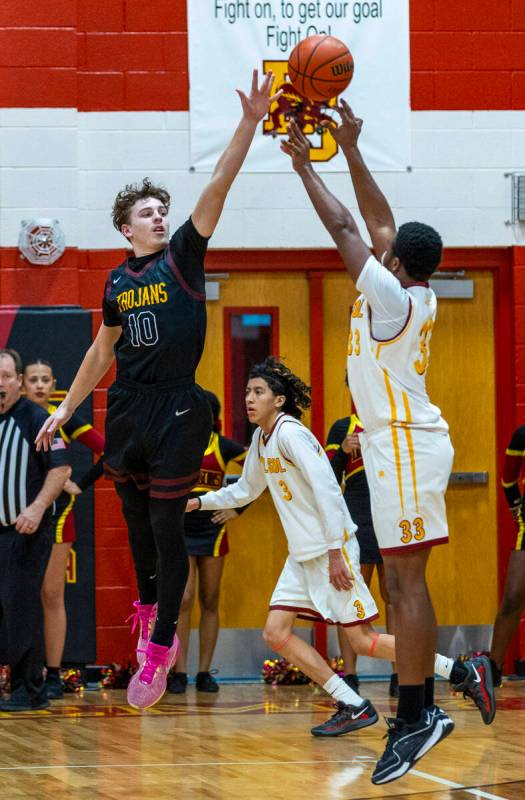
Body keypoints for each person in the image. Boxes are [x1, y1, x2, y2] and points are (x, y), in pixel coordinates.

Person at [35, 70, 281, 711]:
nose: (159, 216)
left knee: (169, 527)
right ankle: (149, 612)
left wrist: (249, 123)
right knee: (137, 524)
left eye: (161, 210)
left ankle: (161, 644)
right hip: (130, 409)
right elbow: (100, 353)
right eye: (147, 213)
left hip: (178, 404)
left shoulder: (183, 258)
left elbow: (218, 188)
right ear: (125, 229)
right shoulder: (116, 282)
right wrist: (64, 410)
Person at [281, 106, 495, 784]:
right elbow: (377, 224)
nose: (379, 243)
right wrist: (349, 148)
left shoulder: (389, 299)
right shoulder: (407, 286)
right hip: (397, 443)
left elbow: (348, 226)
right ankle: (419, 709)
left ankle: (417, 713)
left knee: (404, 582)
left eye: (388, 245)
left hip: (403, 444)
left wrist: (303, 166)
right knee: (402, 580)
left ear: (394, 262)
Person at [186, 358, 494, 741]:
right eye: (248, 392)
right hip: (302, 555)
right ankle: (352, 703)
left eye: (258, 392)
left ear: (279, 400)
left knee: (363, 641)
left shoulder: (292, 435)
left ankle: (462, 672)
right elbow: (245, 491)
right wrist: (197, 502)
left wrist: (335, 552)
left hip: (331, 548)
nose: (249, 399)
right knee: (275, 632)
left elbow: (329, 491)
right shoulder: (261, 440)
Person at [23, 358, 105, 700]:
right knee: (17, 595)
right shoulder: (14, 418)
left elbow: (109, 450)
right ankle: (18, 672)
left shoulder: (63, 418)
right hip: (18, 515)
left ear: (55, 383)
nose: (40, 385)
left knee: (51, 594)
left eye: (45, 379)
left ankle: (53, 673)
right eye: (33, 380)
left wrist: (79, 484)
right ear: (22, 385)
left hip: (58, 515)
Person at [0, 349, 70, 712]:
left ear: (18, 382)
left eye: (6, 376)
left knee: (21, 609)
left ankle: (31, 689)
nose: (0, 383)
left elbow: (60, 470)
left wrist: (37, 507)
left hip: (23, 533)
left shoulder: (36, 419)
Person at [168, 390, 247, 694]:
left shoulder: (224, 446)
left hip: (213, 531)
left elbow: (260, 468)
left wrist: (237, 508)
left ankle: (204, 672)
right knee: (183, 599)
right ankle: (179, 671)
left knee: (210, 600)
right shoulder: (176, 442)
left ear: (213, 417)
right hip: (182, 529)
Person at [326, 401, 397, 697]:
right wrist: (342, 451)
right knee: (352, 595)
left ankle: (398, 671)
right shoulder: (342, 427)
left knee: (394, 594)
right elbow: (326, 478)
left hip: (391, 511)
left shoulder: (394, 423)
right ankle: (350, 674)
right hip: (356, 512)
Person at [490, 423, 525, 684]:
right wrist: (516, 510)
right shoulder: (522, 435)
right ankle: (492, 670)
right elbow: (508, 480)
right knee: (513, 597)